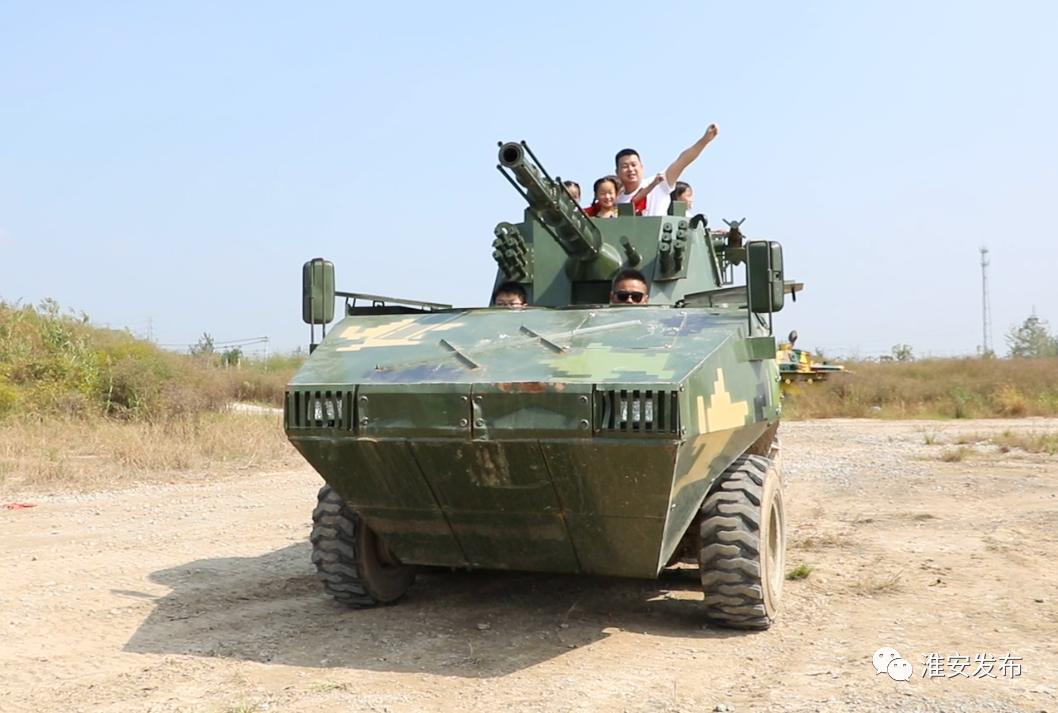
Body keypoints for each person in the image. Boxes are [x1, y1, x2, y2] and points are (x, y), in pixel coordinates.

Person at [614, 124, 718, 216]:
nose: (630, 169)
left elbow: (682, 161)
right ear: (617, 172)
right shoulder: (616, 201)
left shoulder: (659, 183)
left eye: (634, 165)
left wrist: (705, 140)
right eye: (625, 166)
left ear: (641, 167)